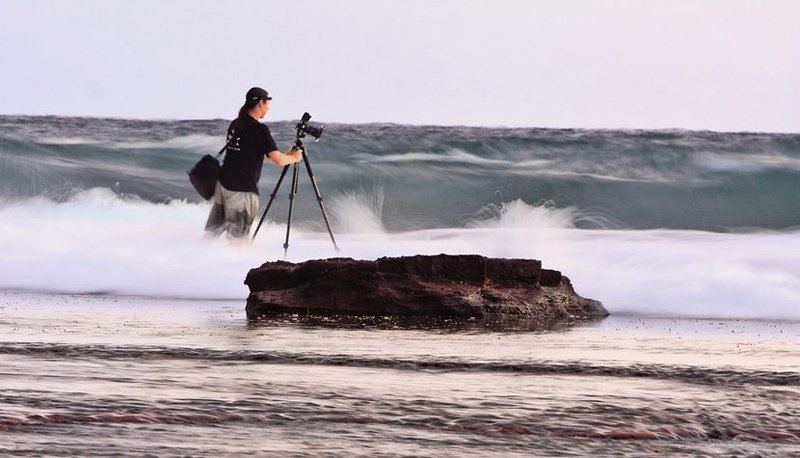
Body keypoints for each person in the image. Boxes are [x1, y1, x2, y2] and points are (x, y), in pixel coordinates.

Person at [205, 87, 303, 239]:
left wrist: (285, 155)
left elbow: (248, 154)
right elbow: (278, 160)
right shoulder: (260, 129)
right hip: (241, 191)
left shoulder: (235, 124)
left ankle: (201, 260)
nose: (268, 109)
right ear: (260, 104)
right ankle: (239, 262)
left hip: (223, 187)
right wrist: (295, 158)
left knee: (211, 236)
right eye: (267, 104)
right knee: (238, 241)